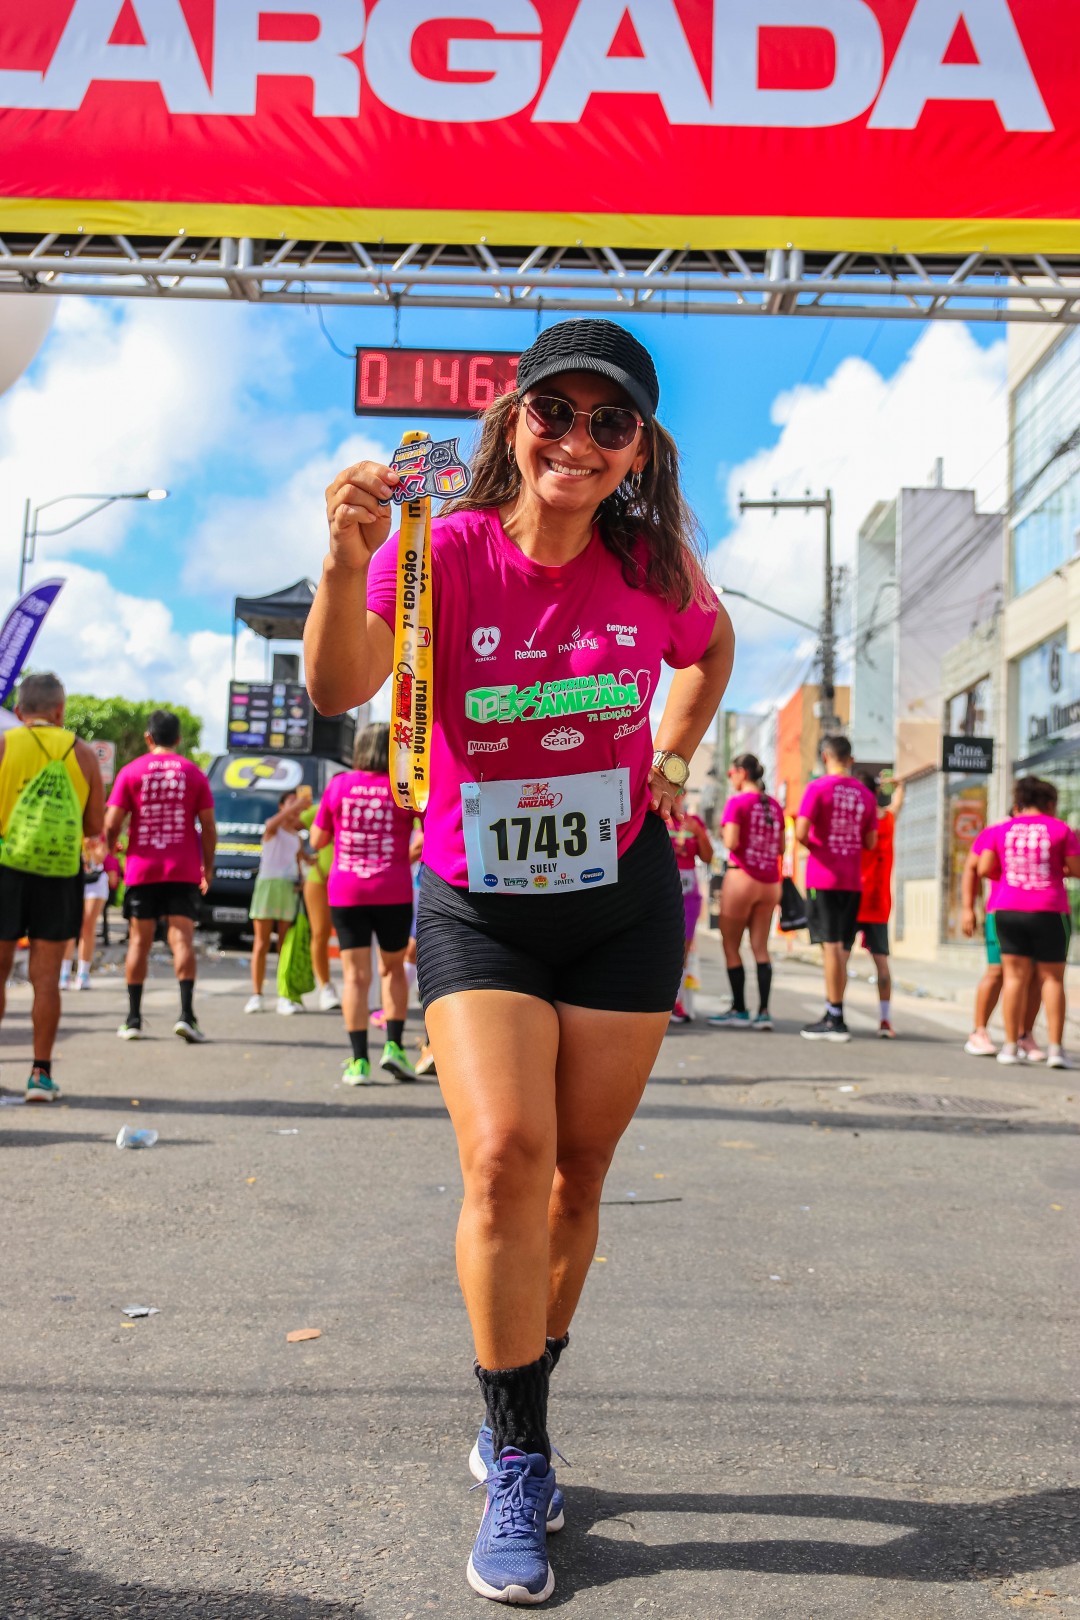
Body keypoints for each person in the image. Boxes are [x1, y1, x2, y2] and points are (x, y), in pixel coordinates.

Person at [307, 316, 733, 1605]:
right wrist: (343, 564)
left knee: (578, 1174)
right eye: (557, 411)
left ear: (638, 449)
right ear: (514, 422)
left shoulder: (652, 563)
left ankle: (518, 1396)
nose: (579, 440)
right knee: (505, 1158)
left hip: (621, 902)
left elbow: (711, 648)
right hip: (477, 903)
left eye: (612, 423)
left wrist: (672, 756)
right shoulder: (438, 552)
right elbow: (339, 687)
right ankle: (519, 1459)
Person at [0, 671, 104, 1100]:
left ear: (19, 711)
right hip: (59, 873)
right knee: (45, 979)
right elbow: (94, 826)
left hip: (5, 869)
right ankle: (40, 1074)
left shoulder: (5, 745)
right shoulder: (83, 753)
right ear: (60, 711)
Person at [309, 722, 419, 1084]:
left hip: (347, 891)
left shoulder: (339, 785)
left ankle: (359, 1062)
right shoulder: (403, 787)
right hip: (393, 889)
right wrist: (404, 855)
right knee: (392, 970)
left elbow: (317, 839)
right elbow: (428, 832)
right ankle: (394, 1048)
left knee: (355, 978)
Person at [104, 709, 216, 1043]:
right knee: (182, 940)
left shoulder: (131, 771)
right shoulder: (193, 773)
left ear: (148, 737)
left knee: (139, 942)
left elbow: (111, 823)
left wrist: (110, 851)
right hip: (182, 869)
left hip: (143, 869)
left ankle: (133, 1019)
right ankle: (187, 1016)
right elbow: (209, 827)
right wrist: (207, 867)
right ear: (178, 739)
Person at [975, 776, 1080, 1069]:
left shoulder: (1002, 829)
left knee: (1013, 978)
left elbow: (984, 868)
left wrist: (1015, 874)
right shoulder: (1061, 829)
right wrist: (1053, 869)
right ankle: (1055, 1050)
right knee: (1052, 979)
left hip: (1008, 907)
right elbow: (1076, 868)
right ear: (1050, 803)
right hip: (1049, 909)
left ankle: (1009, 1047)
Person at [795, 734, 878, 1042]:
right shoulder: (866, 795)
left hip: (824, 878)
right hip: (852, 880)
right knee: (842, 949)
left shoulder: (817, 788)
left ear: (825, 756)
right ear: (851, 759)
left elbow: (801, 832)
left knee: (830, 947)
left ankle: (835, 1017)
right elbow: (870, 842)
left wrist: (821, 847)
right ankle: (835, 1011)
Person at [961, 794, 1043, 1059]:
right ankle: (978, 1031)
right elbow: (972, 868)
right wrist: (968, 907)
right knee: (997, 972)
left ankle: (1024, 1034)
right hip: (1002, 911)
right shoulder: (996, 831)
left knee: (1034, 975)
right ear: (1017, 809)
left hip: (1037, 913)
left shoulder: (1045, 831)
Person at [709, 752, 783, 1030]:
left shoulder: (737, 802)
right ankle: (764, 1012)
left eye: (731, 774)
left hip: (742, 879)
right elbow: (781, 847)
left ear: (741, 772)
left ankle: (739, 1010)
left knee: (731, 945)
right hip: (770, 883)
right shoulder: (774, 805)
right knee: (760, 948)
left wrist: (722, 832)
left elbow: (731, 842)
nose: (731, 778)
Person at [245, 789, 305, 1015]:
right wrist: (297, 805)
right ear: (282, 805)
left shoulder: (297, 836)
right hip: (267, 886)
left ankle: (284, 995)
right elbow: (272, 823)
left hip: (287, 888)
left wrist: (301, 880)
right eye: (291, 802)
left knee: (284, 945)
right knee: (261, 943)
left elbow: (299, 863)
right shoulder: (273, 828)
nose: (296, 806)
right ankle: (256, 995)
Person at [855, 773, 904, 1039]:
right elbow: (897, 803)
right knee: (882, 962)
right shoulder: (888, 819)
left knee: (839, 955)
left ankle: (835, 1013)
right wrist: (899, 785)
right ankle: (885, 1020)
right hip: (879, 901)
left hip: (853, 896)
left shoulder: (857, 820)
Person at [668, 788, 713, 1023]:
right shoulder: (657, 816)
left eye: (680, 790)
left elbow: (707, 857)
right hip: (662, 888)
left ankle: (676, 1001)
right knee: (660, 944)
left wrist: (700, 835)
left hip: (689, 893)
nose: (677, 794)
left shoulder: (694, 822)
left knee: (683, 948)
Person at [60, 836, 120, 990]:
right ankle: (64, 973)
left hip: (94, 882)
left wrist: (90, 847)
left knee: (87, 926)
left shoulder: (99, 833)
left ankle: (83, 973)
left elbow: (100, 858)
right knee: (68, 926)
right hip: (72, 880)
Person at [299, 795, 340, 1012]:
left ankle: (361, 989)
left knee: (353, 937)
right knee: (320, 933)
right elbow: (289, 825)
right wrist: (304, 855)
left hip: (348, 879)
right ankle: (325, 987)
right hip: (319, 879)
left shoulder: (358, 802)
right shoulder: (321, 808)